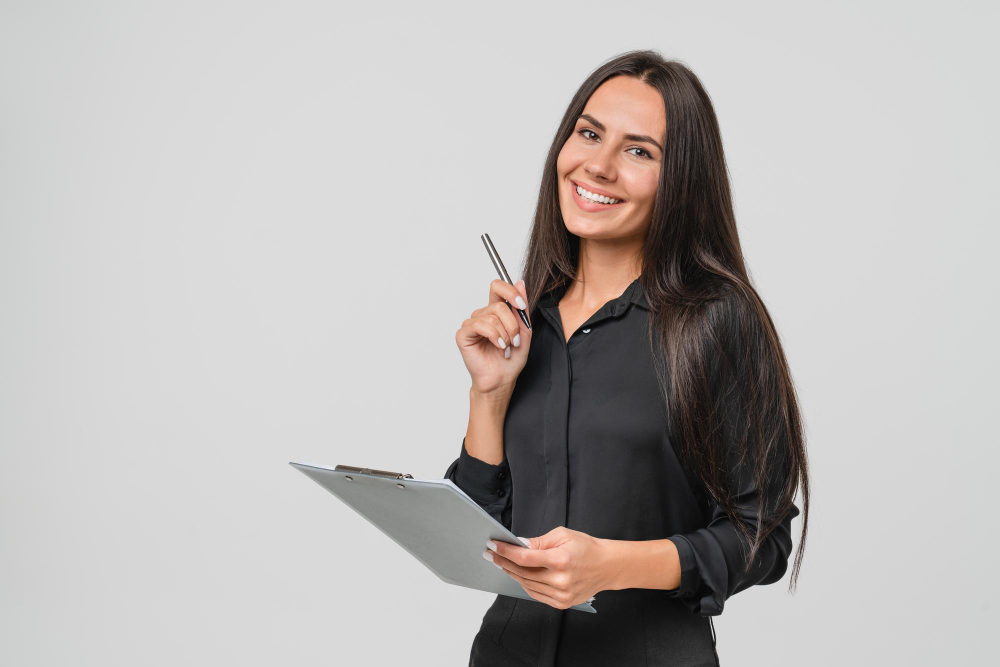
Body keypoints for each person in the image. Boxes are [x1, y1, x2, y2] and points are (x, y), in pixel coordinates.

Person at [445, 49, 810, 667]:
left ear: (681, 180)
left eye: (639, 151)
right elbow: (486, 536)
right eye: (589, 134)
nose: (599, 166)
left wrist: (613, 565)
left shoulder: (717, 320)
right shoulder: (532, 323)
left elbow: (762, 538)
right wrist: (489, 394)